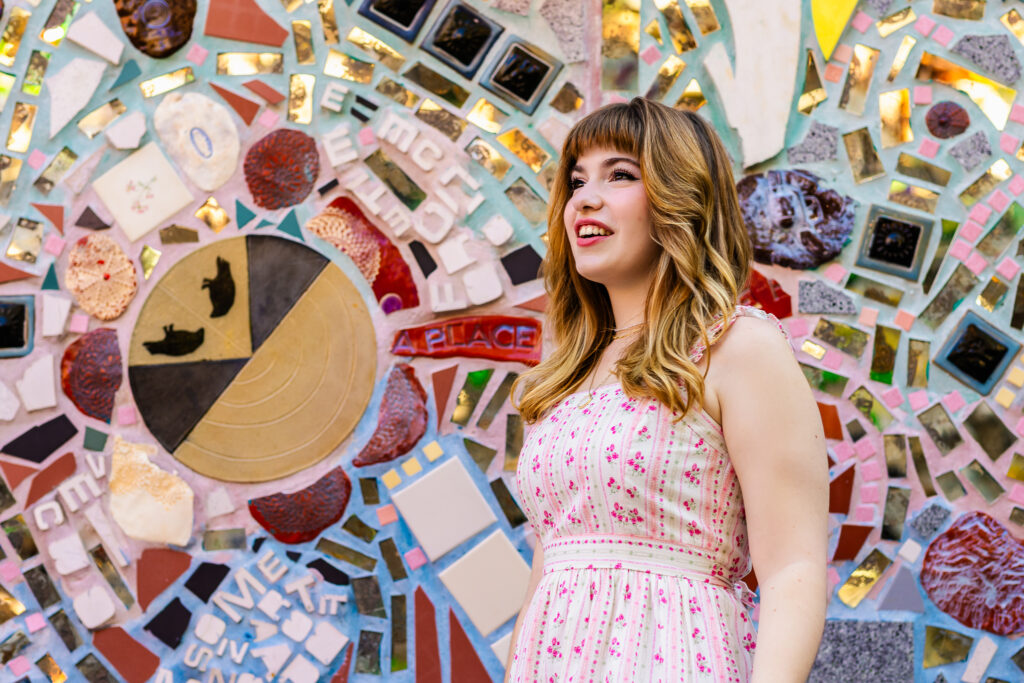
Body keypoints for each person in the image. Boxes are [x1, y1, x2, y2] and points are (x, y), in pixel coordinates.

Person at [504, 97, 828, 682]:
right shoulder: (566, 377)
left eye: (619, 175)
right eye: (577, 181)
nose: (585, 198)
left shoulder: (736, 347)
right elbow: (547, 571)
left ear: (682, 197)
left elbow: (793, 569)